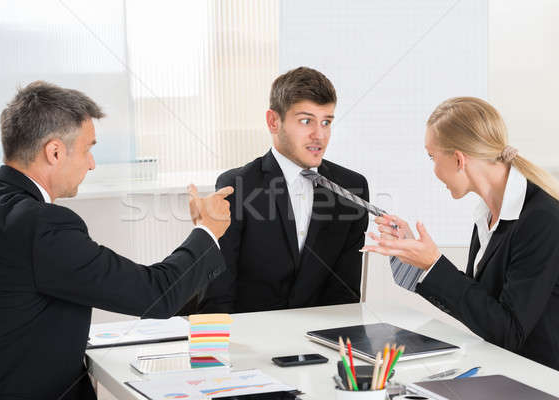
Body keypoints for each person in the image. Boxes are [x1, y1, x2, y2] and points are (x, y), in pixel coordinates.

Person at [0, 81, 233, 399]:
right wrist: (208, 228)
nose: (92, 163)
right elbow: (156, 293)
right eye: (88, 149)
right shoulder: (41, 226)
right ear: (55, 151)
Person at [363, 97, 559, 370]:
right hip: (504, 371)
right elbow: (479, 307)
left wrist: (433, 264)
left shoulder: (541, 219)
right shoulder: (487, 213)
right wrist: (419, 261)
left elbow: (509, 331)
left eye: (432, 157)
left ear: (458, 159)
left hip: (541, 381)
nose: (433, 170)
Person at [198, 67, 369, 313]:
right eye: (306, 121)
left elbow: (345, 295)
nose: (319, 135)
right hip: (252, 340)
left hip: (321, 340)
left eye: (326, 122)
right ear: (273, 121)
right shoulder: (237, 186)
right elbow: (218, 294)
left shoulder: (352, 188)